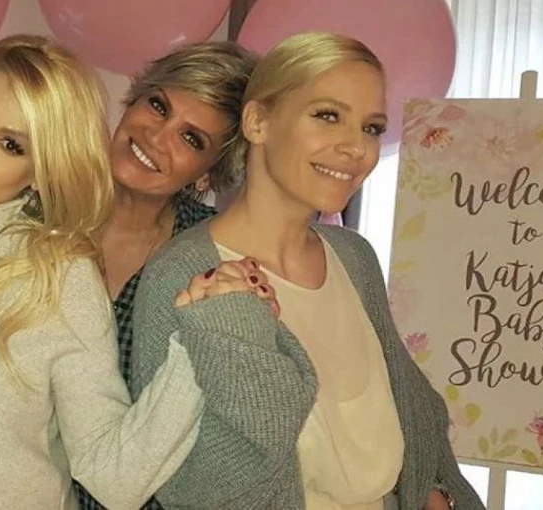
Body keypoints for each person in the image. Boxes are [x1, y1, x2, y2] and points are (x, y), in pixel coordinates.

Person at [0, 40, 257, 510]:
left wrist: (202, 344)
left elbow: (114, 475)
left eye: (11, 144)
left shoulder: (65, 272)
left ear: (41, 168)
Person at [130, 32, 486, 510]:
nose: (357, 148)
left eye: (372, 127)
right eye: (328, 115)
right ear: (258, 121)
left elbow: (410, 408)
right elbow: (182, 479)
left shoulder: (353, 257)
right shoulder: (184, 276)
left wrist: (432, 489)